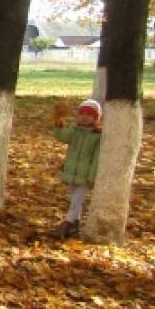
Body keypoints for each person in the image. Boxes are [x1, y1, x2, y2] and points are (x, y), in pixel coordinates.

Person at [53, 99, 103, 237]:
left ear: (96, 118)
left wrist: (92, 177)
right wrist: (58, 125)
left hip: (85, 175)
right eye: (82, 113)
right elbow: (63, 137)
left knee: (76, 201)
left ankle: (66, 224)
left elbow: (96, 159)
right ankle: (75, 225)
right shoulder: (74, 131)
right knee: (75, 201)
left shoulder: (97, 136)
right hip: (71, 172)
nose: (85, 117)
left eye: (90, 114)